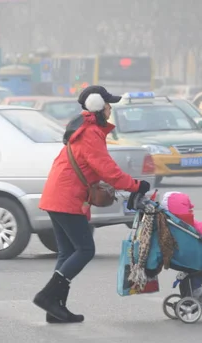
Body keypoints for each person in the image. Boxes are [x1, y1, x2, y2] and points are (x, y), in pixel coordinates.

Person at [34, 85, 151, 323]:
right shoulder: (90, 134)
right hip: (67, 197)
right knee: (86, 250)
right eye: (108, 104)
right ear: (99, 107)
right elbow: (108, 170)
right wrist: (136, 186)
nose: (111, 108)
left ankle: (55, 309)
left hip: (57, 195)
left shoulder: (85, 128)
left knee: (67, 252)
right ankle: (47, 296)